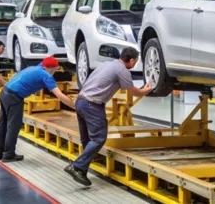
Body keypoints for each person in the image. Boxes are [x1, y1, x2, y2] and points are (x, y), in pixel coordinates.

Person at [64, 47, 152, 186]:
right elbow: (132, 91)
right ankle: (77, 167)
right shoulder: (123, 70)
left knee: (88, 140)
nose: (135, 64)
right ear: (132, 60)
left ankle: (81, 171)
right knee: (99, 138)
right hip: (92, 105)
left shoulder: (107, 64)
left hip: (81, 101)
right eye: (136, 61)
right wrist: (144, 91)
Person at [0, 57, 75, 162]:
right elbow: (60, 96)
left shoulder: (33, 68)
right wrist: (75, 106)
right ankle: (8, 154)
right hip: (14, 97)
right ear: (51, 68)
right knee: (13, 126)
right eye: (55, 69)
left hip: (5, 92)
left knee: (3, 123)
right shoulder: (46, 75)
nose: (55, 72)